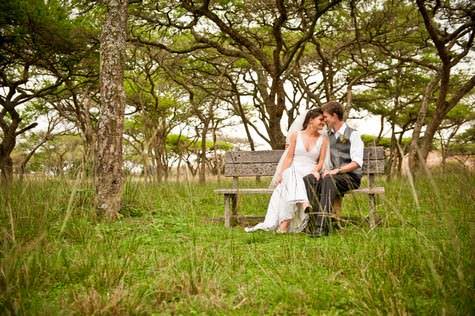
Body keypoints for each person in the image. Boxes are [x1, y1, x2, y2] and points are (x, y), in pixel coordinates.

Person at [245, 109, 331, 233]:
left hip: (309, 171)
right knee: (289, 174)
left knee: (287, 185)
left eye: (324, 120)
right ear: (311, 120)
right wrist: (281, 174)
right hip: (294, 168)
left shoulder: (324, 139)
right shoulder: (296, 135)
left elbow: (321, 161)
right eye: (321, 120)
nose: (323, 123)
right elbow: (289, 157)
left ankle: (284, 226)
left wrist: (315, 171)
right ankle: (303, 202)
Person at [303, 101, 364, 237]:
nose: (324, 120)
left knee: (329, 179)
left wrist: (337, 171)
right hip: (330, 176)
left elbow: (357, 162)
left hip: (350, 177)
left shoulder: (353, 134)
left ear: (334, 116)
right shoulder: (327, 135)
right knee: (309, 179)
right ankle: (312, 222)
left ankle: (322, 226)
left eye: (326, 117)